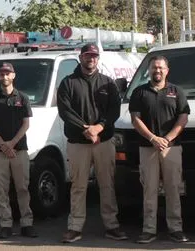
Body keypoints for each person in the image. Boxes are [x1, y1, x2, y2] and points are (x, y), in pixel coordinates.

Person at [56, 44, 124, 243]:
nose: (91, 59)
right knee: (78, 185)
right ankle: (75, 227)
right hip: (78, 142)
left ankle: (112, 225)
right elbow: (65, 111)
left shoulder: (108, 83)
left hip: (103, 141)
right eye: (87, 55)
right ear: (81, 57)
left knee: (107, 184)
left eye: (94, 56)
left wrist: (99, 127)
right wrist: (86, 129)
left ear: (98, 58)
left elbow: (114, 110)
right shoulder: (68, 83)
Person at [129, 56, 190, 244]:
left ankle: (176, 229)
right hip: (148, 147)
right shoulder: (139, 92)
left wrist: (166, 139)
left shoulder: (176, 92)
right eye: (154, 67)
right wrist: (153, 138)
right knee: (150, 189)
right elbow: (135, 119)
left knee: (173, 189)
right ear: (149, 70)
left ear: (167, 70)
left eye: (161, 68)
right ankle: (149, 230)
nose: (158, 71)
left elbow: (183, 118)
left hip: (171, 148)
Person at [0, 62, 37, 239]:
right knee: (2, 190)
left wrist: (12, 144)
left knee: (23, 188)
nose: (5, 76)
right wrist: (3, 145)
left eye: (8, 74)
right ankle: (5, 224)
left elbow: (26, 124)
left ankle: (26, 223)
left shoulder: (23, 98)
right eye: (1, 74)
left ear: (13, 76)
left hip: (19, 150)